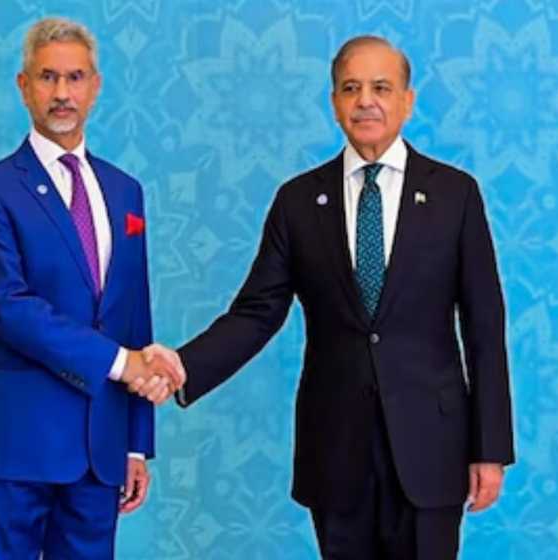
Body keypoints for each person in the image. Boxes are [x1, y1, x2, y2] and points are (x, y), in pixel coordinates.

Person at [160, 35, 515, 558]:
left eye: (380, 87)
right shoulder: (299, 201)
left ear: (407, 101)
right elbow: (257, 313)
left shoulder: (455, 195)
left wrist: (490, 449)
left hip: (431, 448)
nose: (365, 100)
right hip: (337, 449)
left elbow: (485, 328)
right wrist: (181, 366)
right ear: (334, 103)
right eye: (351, 88)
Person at [0, 16, 184, 560]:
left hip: (101, 446)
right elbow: (10, 308)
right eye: (48, 77)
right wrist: (122, 365)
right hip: (15, 440)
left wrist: (135, 442)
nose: (62, 93)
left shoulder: (125, 191)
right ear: (23, 86)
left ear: (95, 86)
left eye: (75, 78)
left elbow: (134, 319)